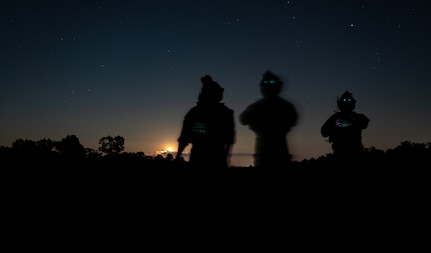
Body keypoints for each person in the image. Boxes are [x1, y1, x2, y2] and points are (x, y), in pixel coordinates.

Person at [239, 70, 298, 169]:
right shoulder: (286, 106)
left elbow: (243, 119)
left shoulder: (257, 106)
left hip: (267, 154)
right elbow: (243, 119)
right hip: (277, 153)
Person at [175, 75, 235, 169]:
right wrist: (226, 158)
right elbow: (229, 139)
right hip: (215, 160)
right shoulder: (225, 113)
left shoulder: (194, 112)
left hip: (200, 160)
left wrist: (177, 157)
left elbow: (184, 138)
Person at [321, 90, 369, 164]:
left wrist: (339, 124)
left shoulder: (359, 117)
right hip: (339, 155)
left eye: (349, 101)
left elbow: (364, 123)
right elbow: (323, 132)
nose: (346, 103)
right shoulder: (334, 118)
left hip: (356, 155)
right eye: (344, 101)